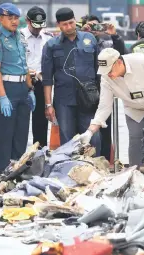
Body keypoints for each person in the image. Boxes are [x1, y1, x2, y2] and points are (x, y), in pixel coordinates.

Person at [78, 48, 144, 167]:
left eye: (110, 70)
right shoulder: (106, 78)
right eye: (105, 71)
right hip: (134, 108)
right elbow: (104, 106)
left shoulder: (142, 61)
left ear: (119, 62)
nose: (108, 74)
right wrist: (90, 132)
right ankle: (135, 173)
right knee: (135, 139)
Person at [42, 7, 101, 154]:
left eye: (71, 23)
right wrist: (48, 104)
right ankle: (70, 173)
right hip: (64, 101)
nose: (68, 27)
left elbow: (99, 72)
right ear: (59, 25)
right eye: (64, 24)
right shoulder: (51, 45)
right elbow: (47, 78)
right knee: (67, 140)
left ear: (76, 21)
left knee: (93, 139)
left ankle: (95, 173)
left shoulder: (90, 40)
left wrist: (102, 98)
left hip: (89, 99)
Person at [0, 3, 34, 174]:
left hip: (22, 87)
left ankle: (17, 175)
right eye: (10, 18)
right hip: (6, 88)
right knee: (4, 136)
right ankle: (0, 177)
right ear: (0, 19)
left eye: (16, 18)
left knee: (21, 135)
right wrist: (2, 96)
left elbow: (25, 65)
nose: (14, 21)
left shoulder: (20, 37)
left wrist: (30, 90)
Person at [21, 6, 53, 148]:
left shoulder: (48, 38)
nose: (38, 29)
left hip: (40, 83)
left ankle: (40, 153)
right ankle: (18, 155)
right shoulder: (18, 36)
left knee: (41, 122)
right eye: (35, 26)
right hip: (21, 82)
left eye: (40, 26)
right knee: (20, 121)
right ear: (28, 21)